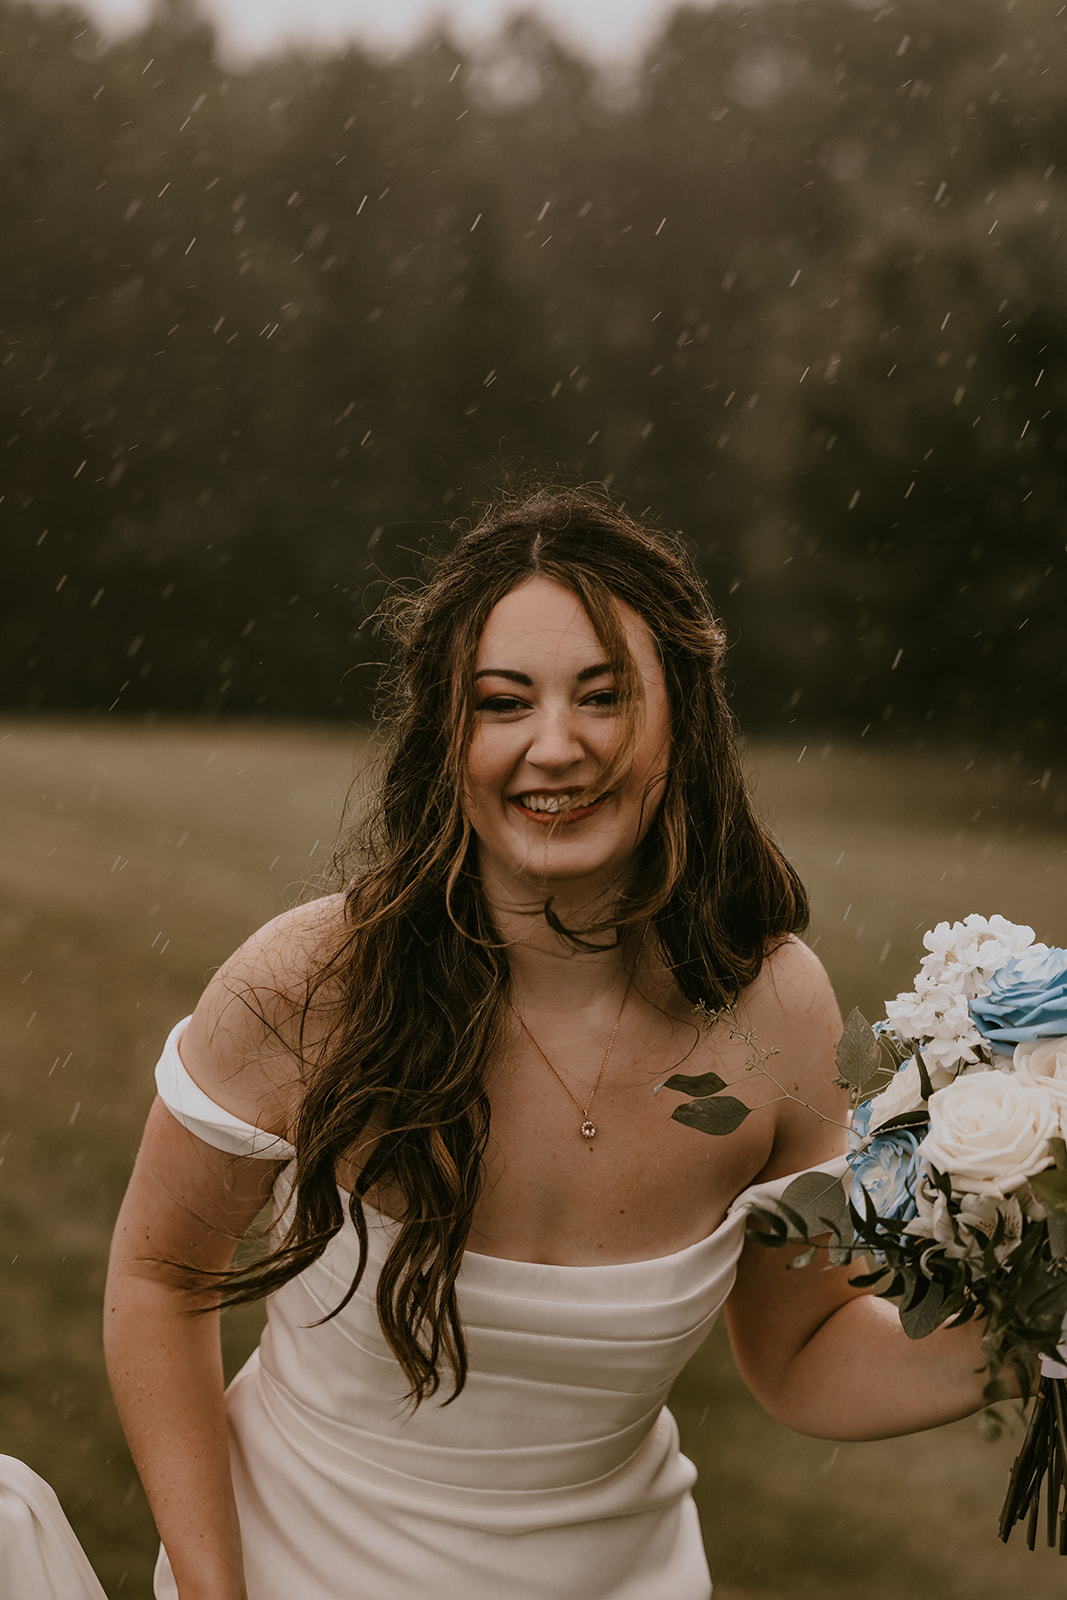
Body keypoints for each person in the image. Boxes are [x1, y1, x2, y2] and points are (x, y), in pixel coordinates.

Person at [104, 486, 991, 1600]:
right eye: (503, 701)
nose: (555, 748)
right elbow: (157, 1279)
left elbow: (801, 1354)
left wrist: (1035, 1334)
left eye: (603, 696)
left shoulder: (775, 1015)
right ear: (448, 731)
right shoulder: (309, 984)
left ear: (681, 713)